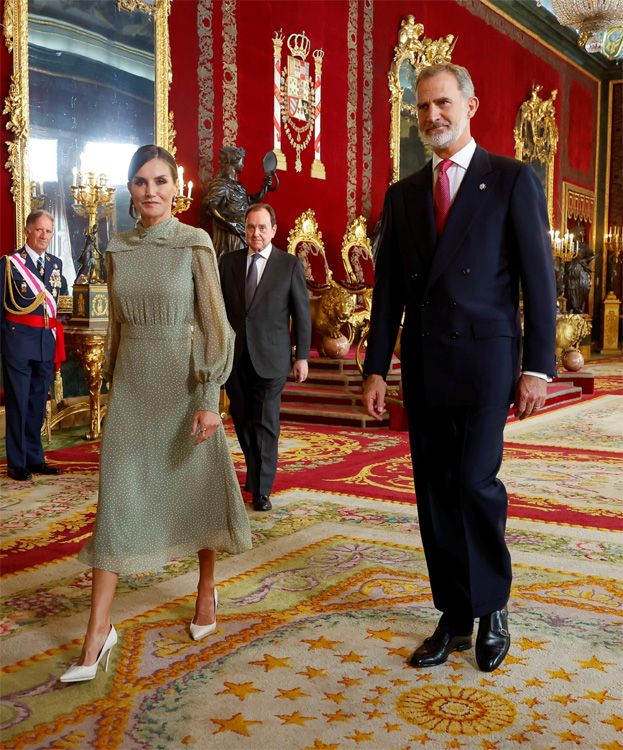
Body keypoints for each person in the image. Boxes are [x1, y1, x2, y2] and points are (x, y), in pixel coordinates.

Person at [362, 64, 556, 673]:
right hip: (423, 364)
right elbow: (388, 290)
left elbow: (538, 281)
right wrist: (374, 368)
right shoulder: (405, 193)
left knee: (474, 483)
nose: (432, 116)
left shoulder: (512, 179)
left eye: (442, 103)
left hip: (484, 360)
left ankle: (492, 606)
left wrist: (539, 367)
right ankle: (454, 612)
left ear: (471, 103)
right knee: (435, 494)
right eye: (422, 107)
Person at [59, 145, 252, 684]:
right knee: (116, 499)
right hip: (134, 393)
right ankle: (98, 631)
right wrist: (113, 385)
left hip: (186, 388)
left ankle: (206, 587)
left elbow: (217, 324)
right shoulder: (118, 248)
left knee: (197, 491)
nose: (151, 191)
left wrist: (211, 397)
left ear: (175, 187)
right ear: (130, 189)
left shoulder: (195, 244)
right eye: (141, 182)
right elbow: (116, 327)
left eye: (161, 181)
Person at [219, 203, 311, 512]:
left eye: (261, 228)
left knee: (266, 423)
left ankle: (262, 490)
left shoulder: (289, 265)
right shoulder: (228, 263)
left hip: (272, 358)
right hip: (236, 357)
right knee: (243, 421)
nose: (255, 233)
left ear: (273, 230)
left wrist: (302, 357)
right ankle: (255, 473)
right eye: (250, 227)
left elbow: (302, 314)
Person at [1, 210, 65, 481]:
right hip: (17, 340)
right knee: (19, 401)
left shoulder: (56, 263)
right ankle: (16, 462)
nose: (43, 235)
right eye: (39, 230)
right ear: (27, 230)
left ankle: (35, 458)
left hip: (43, 342)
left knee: (38, 401)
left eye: (48, 231)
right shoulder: (9, 263)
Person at [202, 146, 272, 256]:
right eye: (241, 161)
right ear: (234, 161)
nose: (243, 164)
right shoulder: (222, 183)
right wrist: (231, 224)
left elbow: (248, 201)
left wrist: (264, 188)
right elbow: (211, 206)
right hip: (231, 237)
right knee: (233, 265)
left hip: (243, 232)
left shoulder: (239, 186)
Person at [564, 225, 594, 314]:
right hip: (572, 270)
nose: (582, 233)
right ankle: (573, 306)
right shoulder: (569, 245)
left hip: (581, 271)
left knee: (582, 287)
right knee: (571, 288)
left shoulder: (584, 246)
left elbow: (592, 255)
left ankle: (579, 306)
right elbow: (564, 257)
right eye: (581, 231)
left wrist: (584, 260)